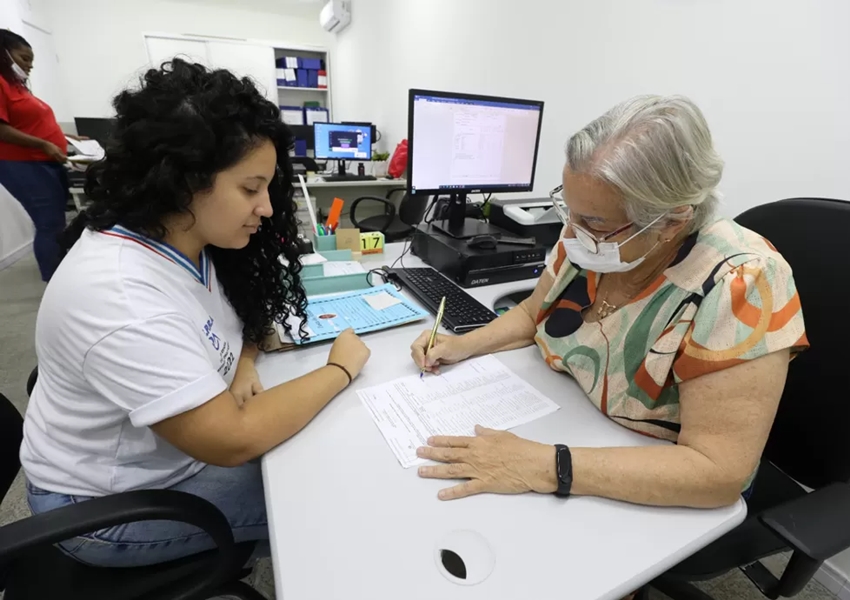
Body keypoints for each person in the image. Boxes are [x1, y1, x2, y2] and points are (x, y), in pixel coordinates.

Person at [20, 58, 371, 568]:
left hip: (171, 460)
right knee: (330, 502)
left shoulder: (189, 240)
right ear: (184, 180)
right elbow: (232, 438)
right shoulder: (120, 292)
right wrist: (339, 368)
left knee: (323, 455)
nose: (267, 208)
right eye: (251, 189)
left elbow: (236, 322)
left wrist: (245, 362)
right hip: (106, 508)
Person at [410, 95, 808, 511]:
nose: (571, 231)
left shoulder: (743, 283)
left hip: (647, 477)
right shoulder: (588, 242)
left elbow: (720, 472)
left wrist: (547, 464)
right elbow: (532, 314)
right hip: (570, 422)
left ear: (672, 221)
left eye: (593, 221)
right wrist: (460, 345)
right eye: (570, 210)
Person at [0, 29, 78, 281]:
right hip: (24, 164)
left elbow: (33, 123)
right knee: (49, 224)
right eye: (24, 58)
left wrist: (67, 138)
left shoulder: (17, 87)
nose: (30, 65)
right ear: (5, 54)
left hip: (45, 162)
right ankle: (54, 279)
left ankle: (62, 272)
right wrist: (44, 145)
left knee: (55, 222)